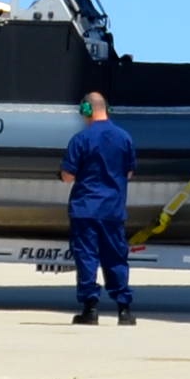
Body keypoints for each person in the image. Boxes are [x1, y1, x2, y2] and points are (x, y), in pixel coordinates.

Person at [57, 91, 136, 326]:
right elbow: (129, 172)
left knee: (87, 257)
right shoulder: (124, 138)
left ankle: (90, 309)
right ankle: (124, 309)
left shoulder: (81, 139)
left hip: (85, 209)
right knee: (116, 257)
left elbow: (68, 175)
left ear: (86, 111)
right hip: (112, 209)